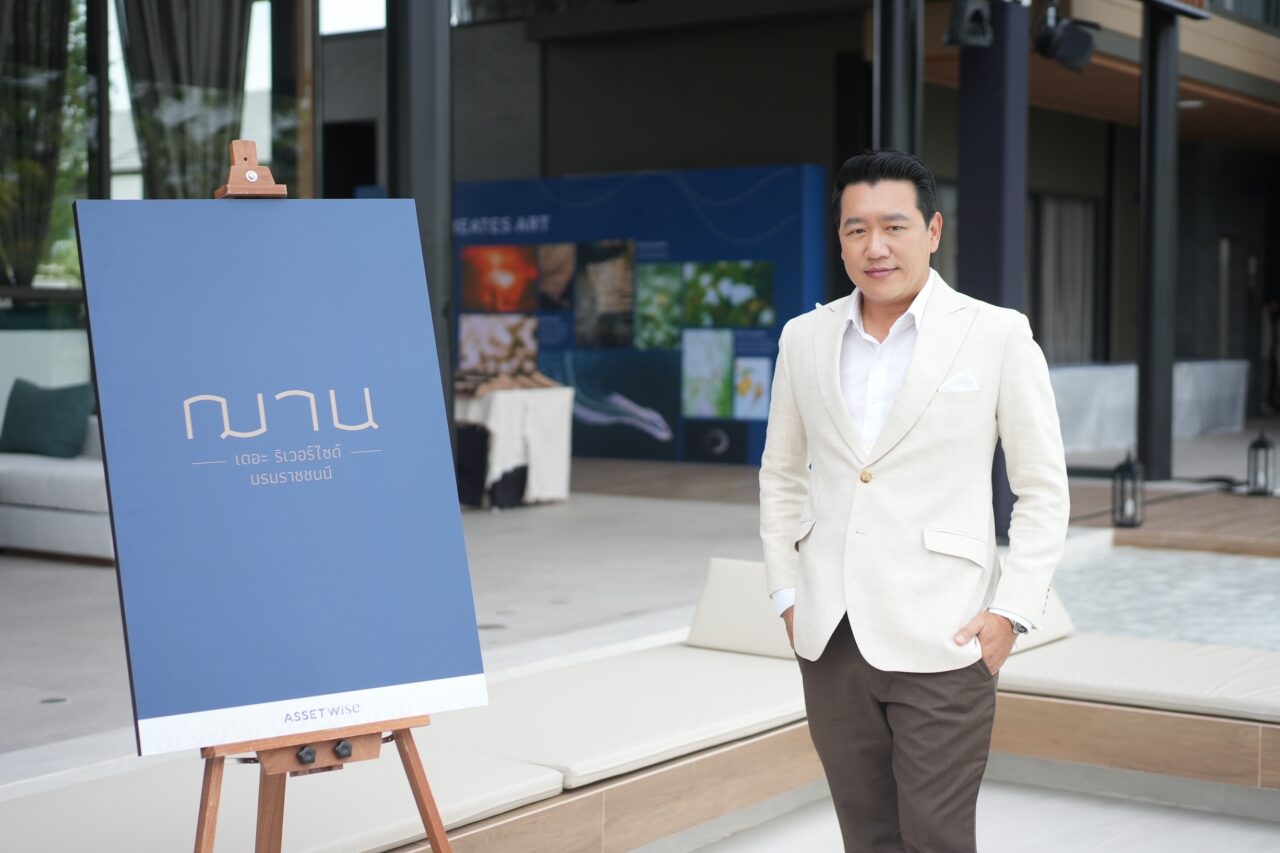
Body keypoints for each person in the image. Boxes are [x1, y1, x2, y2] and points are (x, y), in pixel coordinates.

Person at [759, 150, 1069, 852]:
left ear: (932, 231)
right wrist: (786, 592)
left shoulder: (996, 334)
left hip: (947, 631)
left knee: (937, 836)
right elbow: (780, 475)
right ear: (840, 240)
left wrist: (1011, 612)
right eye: (856, 229)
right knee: (866, 835)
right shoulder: (804, 338)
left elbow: (1043, 487)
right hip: (831, 635)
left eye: (894, 226)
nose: (875, 246)